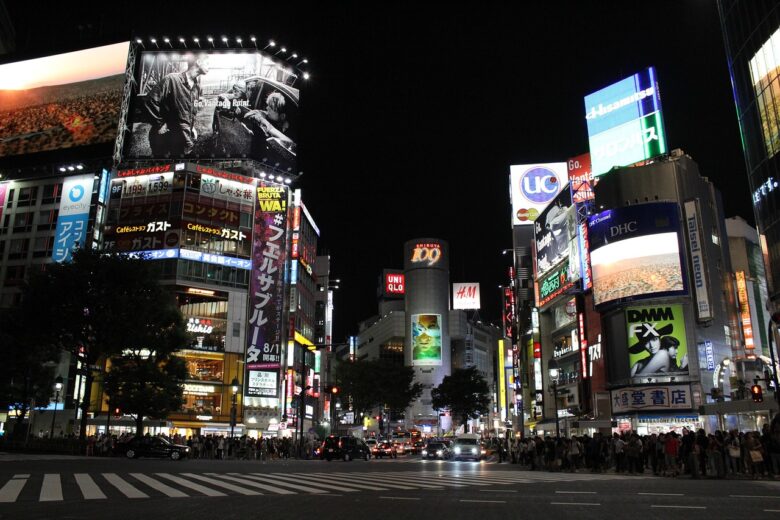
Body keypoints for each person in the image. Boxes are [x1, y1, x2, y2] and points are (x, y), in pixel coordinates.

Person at [142, 54, 210, 156]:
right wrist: (160, 124)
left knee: (180, 163)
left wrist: (191, 127)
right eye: (207, 63)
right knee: (164, 165)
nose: (209, 66)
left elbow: (188, 111)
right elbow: (149, 101)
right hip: (165, 139)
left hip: (181, 139)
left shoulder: (197, 87)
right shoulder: (172, 79)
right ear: (198, 62)